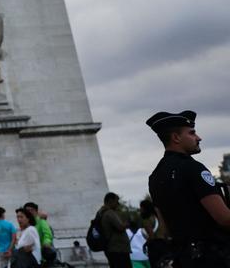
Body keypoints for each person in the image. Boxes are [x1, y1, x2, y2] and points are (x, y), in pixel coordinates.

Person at [146, 110, 230, 268]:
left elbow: (164, 228)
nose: (198, 138)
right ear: (176, 138)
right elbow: (224, 218)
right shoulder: (193, 168)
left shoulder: (155, 177)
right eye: (192, 133)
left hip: (183, 258)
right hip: (213, 257)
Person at [96, 193, 130, 268]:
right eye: (116, 201)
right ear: (110, 201)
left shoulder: (102, 213)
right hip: (118, 249)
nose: (118, 204)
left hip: (113, 249)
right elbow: (120, 227)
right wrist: (127, 223)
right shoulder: (109, 213)